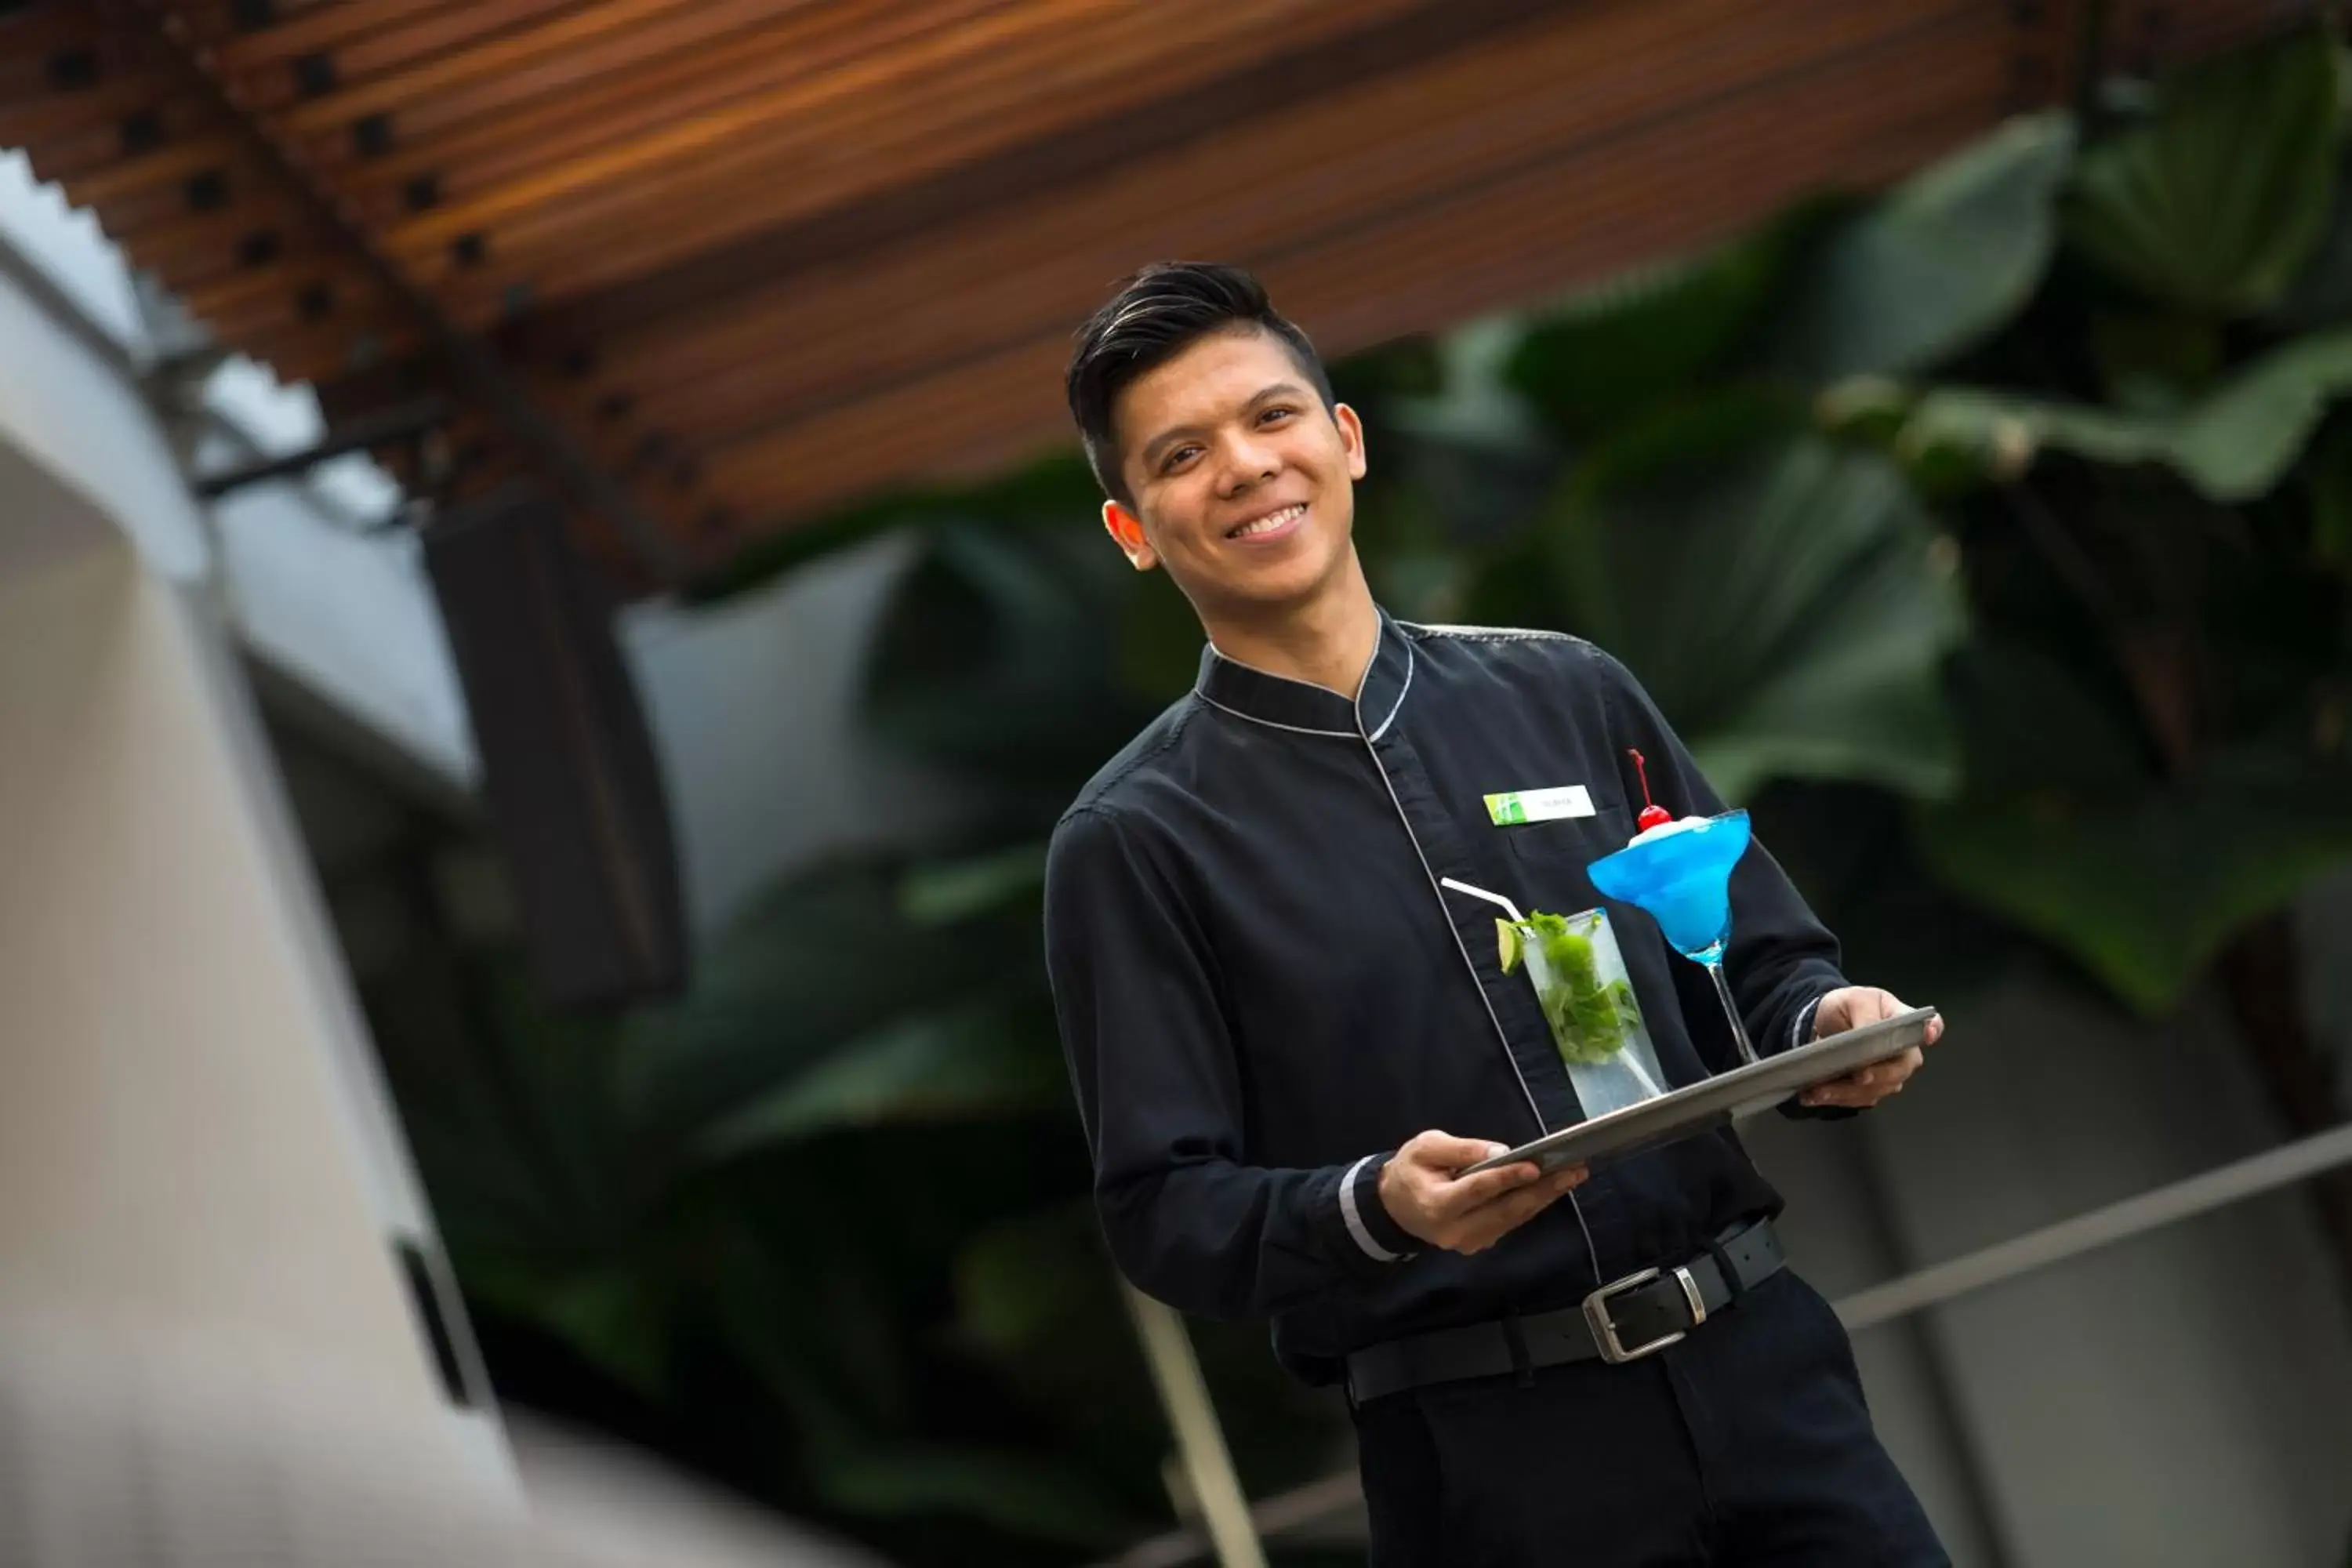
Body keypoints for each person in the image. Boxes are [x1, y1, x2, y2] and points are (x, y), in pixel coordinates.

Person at [1041, 261, 1951, 1566]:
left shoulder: (1569, 693)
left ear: (1343, 442)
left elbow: (1757, 962)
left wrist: (1829, 1021)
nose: (1244, 466)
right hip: (1489, 1457)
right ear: (1133, 527)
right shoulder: (1135, 839)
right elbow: (1164, 1209)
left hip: (1766, 1371)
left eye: (1271, 417)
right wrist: (1374, 1206)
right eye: (1182, 454)